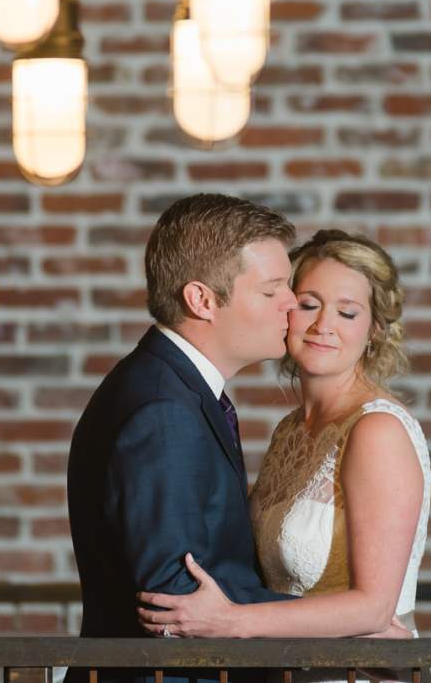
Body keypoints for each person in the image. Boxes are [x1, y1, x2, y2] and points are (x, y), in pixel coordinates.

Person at [138, 229, 431, 659]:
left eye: (347, 313)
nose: (322, 326)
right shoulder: (290, 431)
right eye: (309, 305)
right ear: (285, 311)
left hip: (356, 672)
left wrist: (231, 622)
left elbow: (374, 608)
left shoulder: (377, 431)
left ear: (374, 331)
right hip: (287, 667)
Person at [65, 193, 300, 683]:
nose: (292, 304)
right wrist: (346, 628)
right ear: (202, 300)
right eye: (272, 290)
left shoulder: (171, 387)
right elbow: (177, 599)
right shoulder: (163, 409)